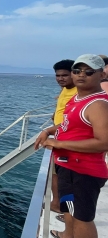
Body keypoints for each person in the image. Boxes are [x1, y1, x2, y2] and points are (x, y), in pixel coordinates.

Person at [35, 54, 108, 238]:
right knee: (68, 207)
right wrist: (49, 130)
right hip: (68, 166)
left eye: (89, 71)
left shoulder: (98, 104)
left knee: (83, 217)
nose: (80, 75)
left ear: (102, 74)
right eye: (77, 71)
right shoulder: (77, 99)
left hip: (83, 171)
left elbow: (104, 142)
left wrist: (58, 142)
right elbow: (67, 124)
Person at [50, 59, 77, 214]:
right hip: (59, 138)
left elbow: (73, 121)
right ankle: (57, 203)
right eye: (58, 75)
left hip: (68, 140)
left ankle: (61, 207)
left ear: (73, 74)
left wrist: (48, 131)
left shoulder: (78, 93)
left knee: (62, 176)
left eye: (64, 75)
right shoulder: (65, 90)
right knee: (56, 174)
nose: (60, 78)